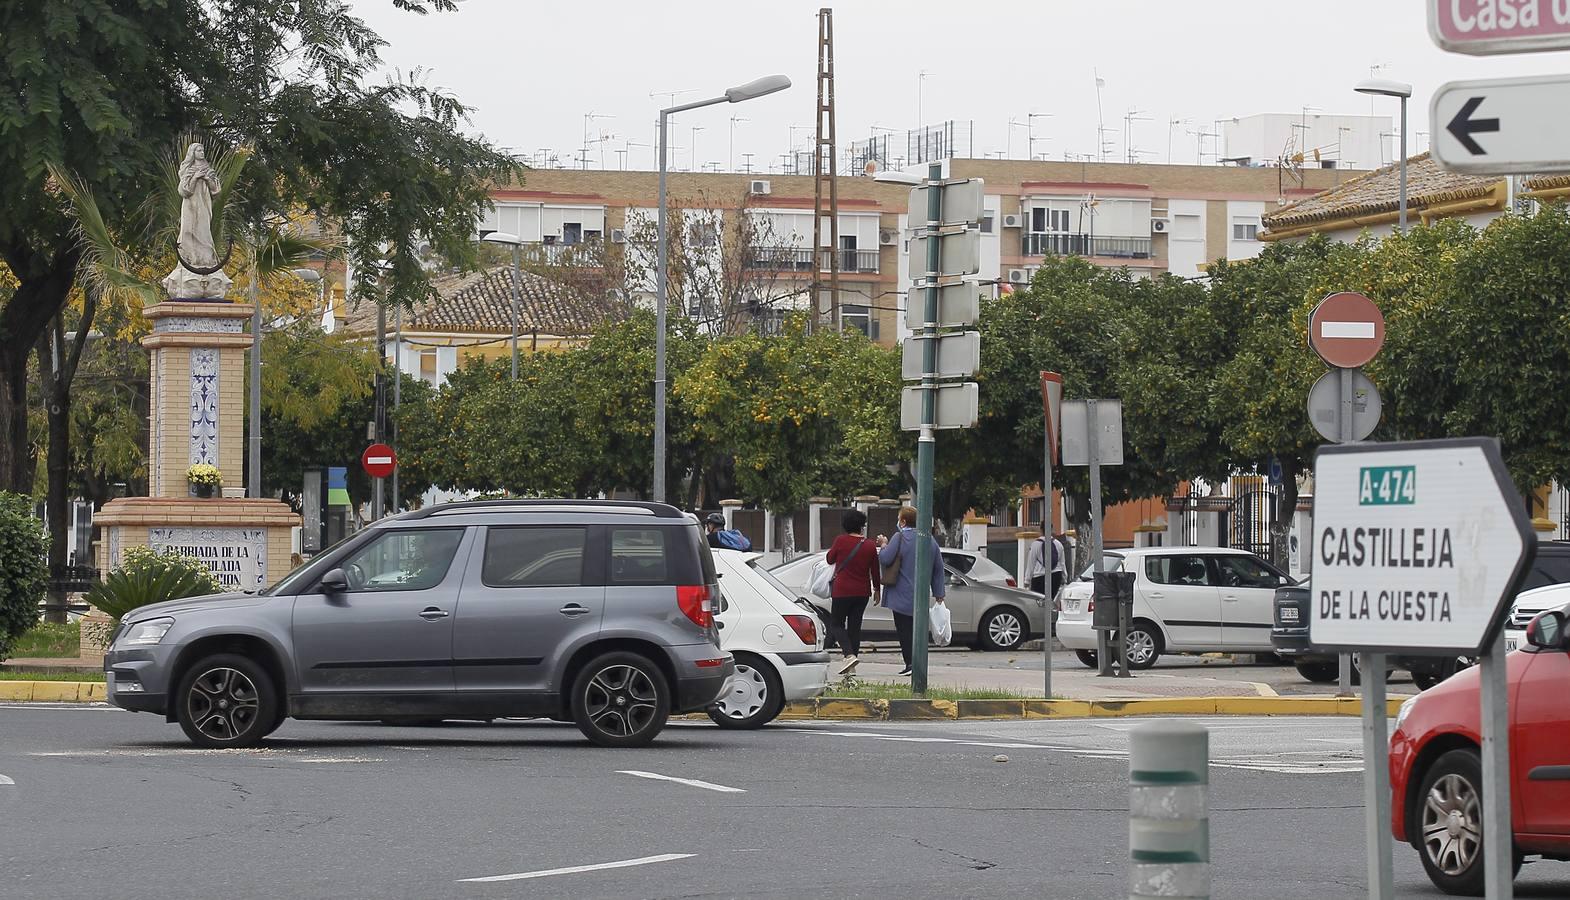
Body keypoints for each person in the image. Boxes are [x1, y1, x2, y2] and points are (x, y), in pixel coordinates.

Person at [876, 505, 946, 677]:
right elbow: (938, 568)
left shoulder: (900, 537)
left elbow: (885, 559)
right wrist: (939, 593)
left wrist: (884, 545)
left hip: (900, 593)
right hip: (921, 595)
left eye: (899, 518)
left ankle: (910, 663)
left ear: (904, 521)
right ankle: (918, 662)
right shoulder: (929, 540)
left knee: (904, 630)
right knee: (918, 631)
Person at [824, 510, 880, 676]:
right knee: (855, 628)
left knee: (836, 624)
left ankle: (849, 656)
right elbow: (875, 570)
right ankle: (851, 667)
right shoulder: (869, 545)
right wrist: (877, 589)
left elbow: (829, 559)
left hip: (842, 591)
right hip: (862, 592)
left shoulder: (840, 541)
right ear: (862, 527)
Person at [1025, 527, 1050, 597]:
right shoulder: (1057, 543)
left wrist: (1027, 580)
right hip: (1055, 576)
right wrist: (1064, 578)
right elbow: (1061, 563)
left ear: (1041, 530)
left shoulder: (1035, 544)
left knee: (1037, 601)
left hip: (1039, 577)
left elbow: (1031, 564)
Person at [1050, 532, 1068, 601]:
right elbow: (1062, 563)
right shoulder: (1059, 544)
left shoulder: (1037, 544)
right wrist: (1065, 577)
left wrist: (1027, 580)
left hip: (1040, 575)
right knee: (1053, 598)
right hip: (1056, 573)